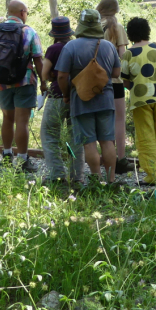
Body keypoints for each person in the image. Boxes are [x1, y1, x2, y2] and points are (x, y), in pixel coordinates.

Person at [56, 9, 121, 187]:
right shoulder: (108, 46)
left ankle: (96, 179)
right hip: (106, 99)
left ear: (81, 25)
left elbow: (62, 76)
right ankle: (111, 180)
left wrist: (66, 94)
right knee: (107, 141)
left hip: (81, 99)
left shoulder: (71, 47)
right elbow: (116, 72)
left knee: (89, 143)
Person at [0, 0, 46, 172]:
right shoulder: (29, 32)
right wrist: (43, 83)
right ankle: (23, 159)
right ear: (21, 12)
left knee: (7, 119)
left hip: (2, 82)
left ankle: (6, 154)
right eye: (26, 12)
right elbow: (38, 59)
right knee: (22, 122)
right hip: (24, 81)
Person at [120, 17, 156, 186]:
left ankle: (151, 176)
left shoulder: (128, 53)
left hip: (140, 100)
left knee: (146, 138)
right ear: (147, 31)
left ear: (130, 34)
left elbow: (125, 80)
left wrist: (136, 87)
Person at [40, 17, 85, 186]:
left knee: (49, 134)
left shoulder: (53, 49)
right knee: (75, 137)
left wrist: (52, 75)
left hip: (57, 95)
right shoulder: (77, 46)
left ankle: (56, 174)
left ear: (54, 33)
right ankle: (77, 176)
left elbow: (45, 74)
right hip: (77, 96)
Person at [97, 0, 134, 176]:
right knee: (119, 120)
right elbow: (123, 55)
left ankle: (104, 157)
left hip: (95, 80)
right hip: (115, 80)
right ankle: (120, 159)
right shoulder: (116, 27)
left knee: (102, 120)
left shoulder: (94, 25)